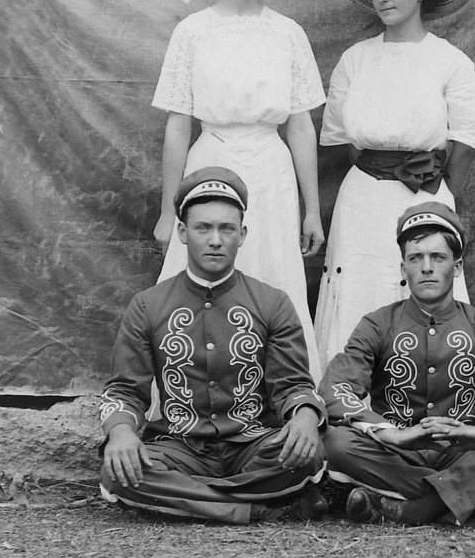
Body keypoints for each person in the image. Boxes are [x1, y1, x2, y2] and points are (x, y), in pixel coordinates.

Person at [152, 0, 325, 380]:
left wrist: (312, 210)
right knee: (203, 279)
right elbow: (178, 125)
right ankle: (195, 390)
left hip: (271, 170)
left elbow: (300, 125)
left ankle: (282, 394)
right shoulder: (193, 32)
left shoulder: (287, 33)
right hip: (210, 164)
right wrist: (167, 212)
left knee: (273, 274)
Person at [313, 0, 475, 369]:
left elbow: (468, 139)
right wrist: (378, 172)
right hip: (361, 198)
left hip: (424, 197)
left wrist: (438, 192)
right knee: (359, 286)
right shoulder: (355, 59)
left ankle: (424, 388)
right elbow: (343, 140)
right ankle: (348, 390)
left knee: (420, 286)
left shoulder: (449, 61)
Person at [100, 167, 328, 524]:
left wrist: (304, 418)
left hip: (253, 445)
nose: (216, 240)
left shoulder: (272, 303)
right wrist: (120, 432)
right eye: (203, 228)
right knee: (118, 472)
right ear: (183, 233)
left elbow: (293, 385)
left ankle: (193, 498)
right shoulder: (148, 305)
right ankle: (251, 506)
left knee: (306, 455)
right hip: (178, 447)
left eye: (227, 228)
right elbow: (125, 391)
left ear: (243, 235)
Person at [319, 202, 475, 527]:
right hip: (398, 457)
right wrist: (392, 435)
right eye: (415, 258)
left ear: (457, 266)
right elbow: (336, 387)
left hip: (468, 453)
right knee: (333, 441)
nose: (427, 268)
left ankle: (420, 508)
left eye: (438, 257)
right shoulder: (377, 324)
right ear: (403, 269)